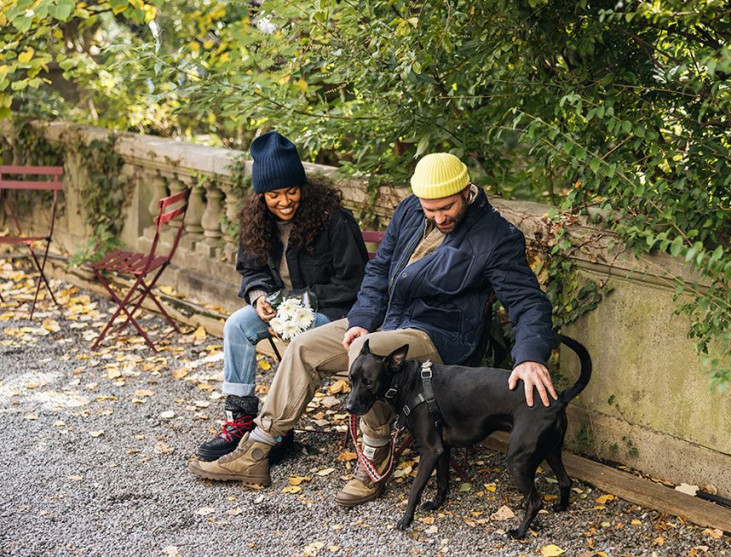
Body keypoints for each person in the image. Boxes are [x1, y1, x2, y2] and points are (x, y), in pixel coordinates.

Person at [188, 152, 555, 507]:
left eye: (448, 208)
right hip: (384, 323)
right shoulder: (411, 210)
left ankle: (375, 457)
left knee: (369, 351)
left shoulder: (496, 236)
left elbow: (527, 302)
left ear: (466, 190)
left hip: (437, 337)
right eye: (431, 209)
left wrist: (530, 357)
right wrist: (361, 318)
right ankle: (258, 449)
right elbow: (377, 273)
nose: (440, 217)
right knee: (304, 347)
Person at [195, 131, 368, 462]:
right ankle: (240, 419)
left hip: (333, 312)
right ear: (261, 196)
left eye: (292, 191)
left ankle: (278, 429)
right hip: (279, 308)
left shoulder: (333, 220)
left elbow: (355, 282)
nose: (285, 201)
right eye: (274, 194)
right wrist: (259, 296)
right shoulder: (257, 222)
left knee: (297, 335)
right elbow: (251, 270)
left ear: (304, 188)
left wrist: (298, 302)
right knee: (236, 326)